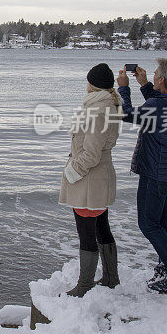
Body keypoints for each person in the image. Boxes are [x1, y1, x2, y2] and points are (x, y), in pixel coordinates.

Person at [117, 58, 167, 294]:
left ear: (161, 80)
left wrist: (124, 87)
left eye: (154, 74)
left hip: (155, 172)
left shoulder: (160, 106)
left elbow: (127, 114)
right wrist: (144, 85)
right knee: (163, 223)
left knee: (149, 225)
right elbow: (158, 103)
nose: (151, 76)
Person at [59, 63, 122, 297]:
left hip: (88, 180)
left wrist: (71, 171)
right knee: (102, 227)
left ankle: (84, 285)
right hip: (99, 179)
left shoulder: (97, 112)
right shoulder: (110, 106)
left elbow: (91, 154)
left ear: (91, 85)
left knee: (86, 233)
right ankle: (110, 277)